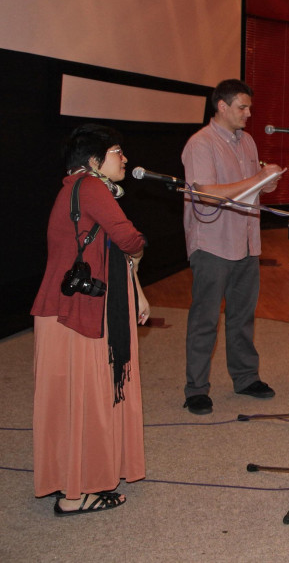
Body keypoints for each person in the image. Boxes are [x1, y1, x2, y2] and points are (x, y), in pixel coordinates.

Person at [31, 124, 148, 514]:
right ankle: (75, 495)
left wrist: (138, 291)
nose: (125, 159)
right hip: (76, 313)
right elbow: (129, 239)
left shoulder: (76, 188)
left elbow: (112, 249)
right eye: (117, 152)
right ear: (95, 160)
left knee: (71, 400)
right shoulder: (92, 188)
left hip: (65, 309)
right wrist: (139, 250)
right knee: (84, 399)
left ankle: (73, 481)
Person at [181, 79, 284, 416]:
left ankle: (245, 377)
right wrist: (257, 179)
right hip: (213, 242)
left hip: (246, 241)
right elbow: (207, 194)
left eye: (249, 107)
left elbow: (248, 188)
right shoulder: (200, 144)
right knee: (205, 319)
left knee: (242, 316)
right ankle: (196, 389)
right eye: (242, 107)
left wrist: (265, 184)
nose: (249, 113)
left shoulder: (247, 141)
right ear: (221, 106)